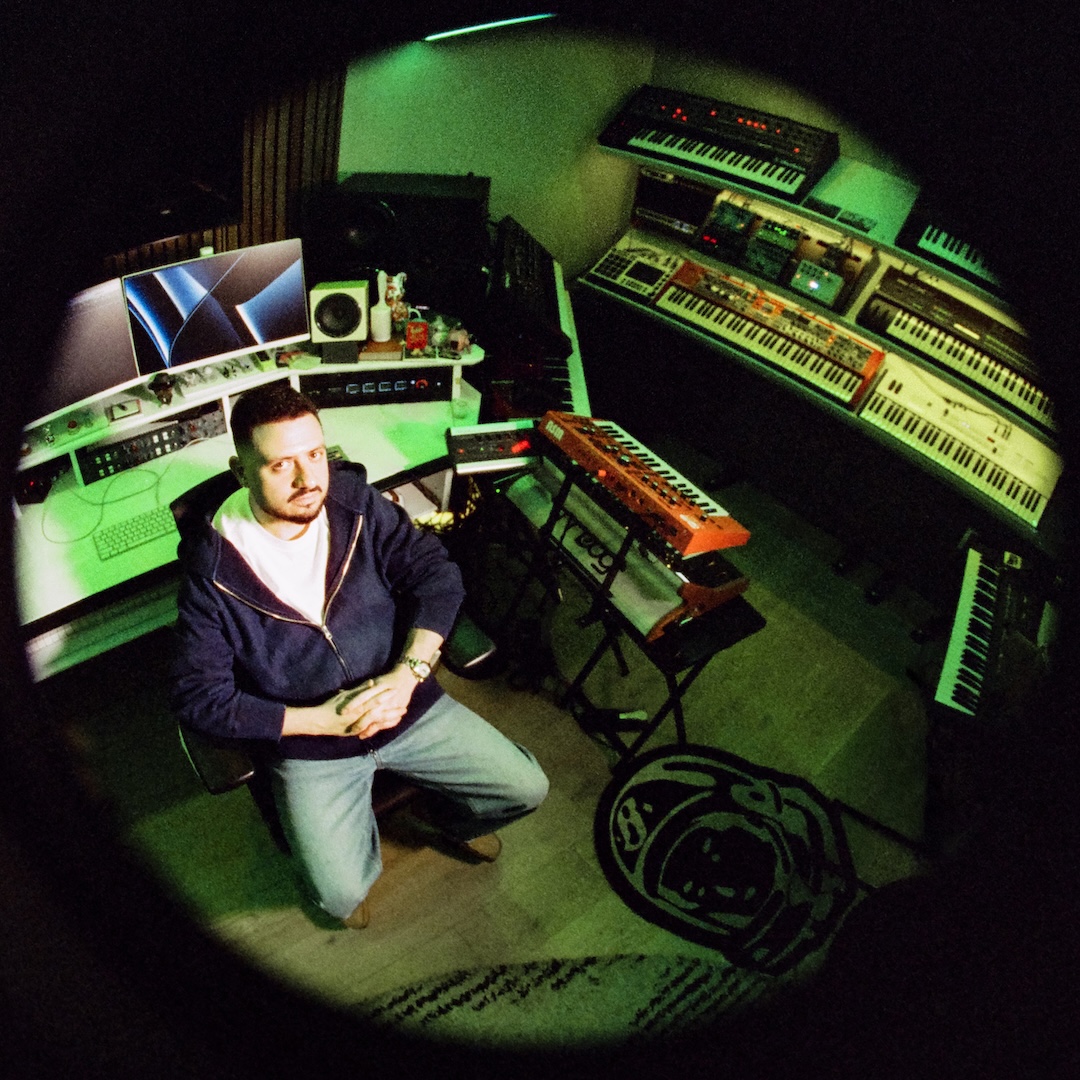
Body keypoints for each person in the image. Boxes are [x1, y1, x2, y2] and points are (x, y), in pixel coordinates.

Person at [169, 381, 549, 929]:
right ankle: (351, 864)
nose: (308, 481)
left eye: (315, 455)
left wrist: (409, 671)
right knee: (338, 898)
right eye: (281, 465)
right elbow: (198, 697)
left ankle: (448, 818)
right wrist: (317, 721)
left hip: (405, 700)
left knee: (526, 787)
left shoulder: (355, 505)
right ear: (240, 470)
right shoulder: (211, 575)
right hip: (312, 744)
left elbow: (434, 574)